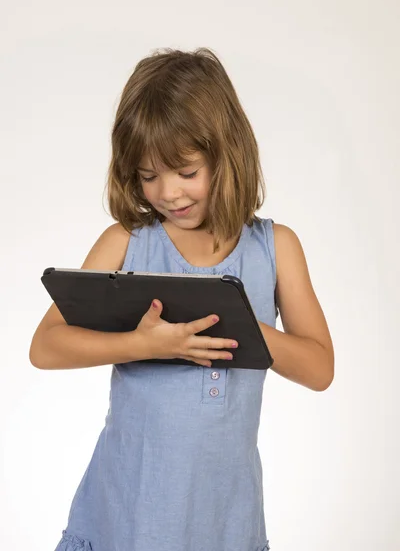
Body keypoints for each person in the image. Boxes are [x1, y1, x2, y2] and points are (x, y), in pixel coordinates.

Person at [30, 47, 335, 551]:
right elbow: (45, 346)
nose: (168, 192)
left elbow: (320, 368)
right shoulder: (127, 242)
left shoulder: (276, 248)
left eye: (186, 172)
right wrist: (143, 345)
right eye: (149, 176)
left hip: (224, 518)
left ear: (227, 154)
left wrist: (245, 326)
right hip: (128, 509)